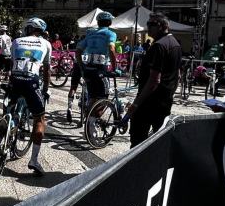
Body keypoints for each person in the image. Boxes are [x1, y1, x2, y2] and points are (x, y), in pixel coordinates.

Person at [4, 17, 52, 175]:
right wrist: (45, 89)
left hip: (15, 80)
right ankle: (34, 160)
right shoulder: (46, 44)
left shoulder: (16, 41)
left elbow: (13, 63)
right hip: (31, 81)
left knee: (7, 115)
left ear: (29, 28)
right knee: (39, 119)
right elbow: (46, 70)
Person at [127, 13, 182, 147]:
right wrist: (170, 93)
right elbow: (178, 75)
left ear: (163, 26)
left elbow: (154, 80)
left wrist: (136, 104)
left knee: (137, 140)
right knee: (160, 139)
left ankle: (138, 166)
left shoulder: (159, 46)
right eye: (148, 24)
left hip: (149, 101)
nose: (148, 27)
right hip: (165, 100)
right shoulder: (175, 44)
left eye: (152, 24)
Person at [69, 12, 118, 122]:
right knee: (104, 98)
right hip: (101, 68)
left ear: (98, 22)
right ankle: (92, 125)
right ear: (109, 22)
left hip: (88, 68)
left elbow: (78, 51)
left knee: (92, 97)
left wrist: (82, 67)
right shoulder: (110, 34)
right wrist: (115, 68)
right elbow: (111, 49)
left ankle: (89, 123)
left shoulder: (90, 34)